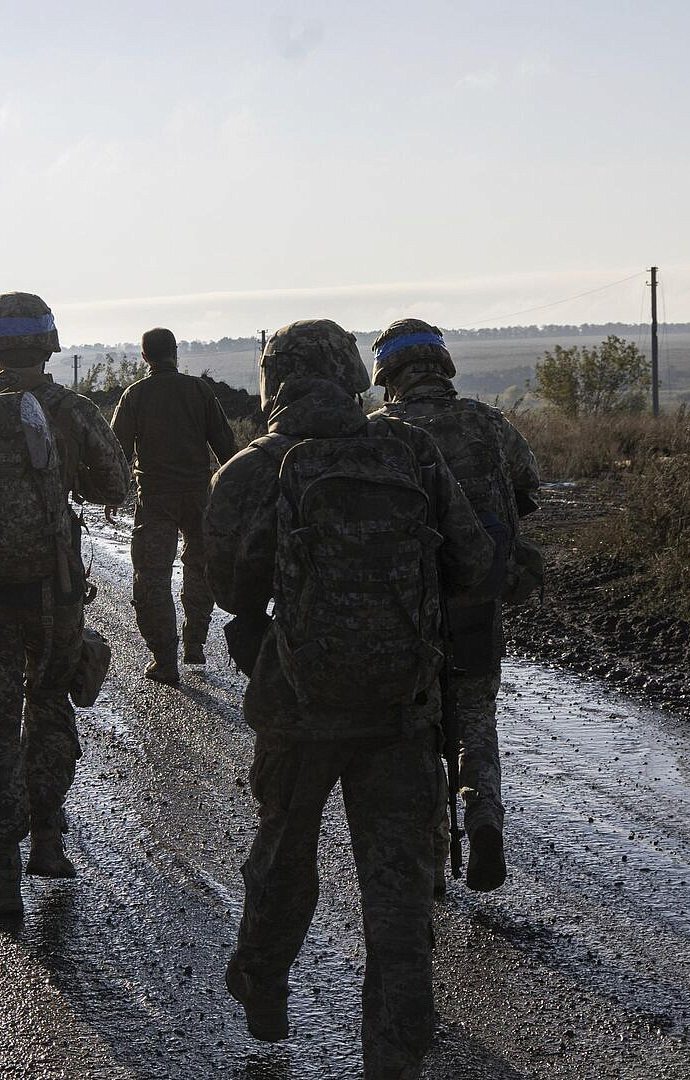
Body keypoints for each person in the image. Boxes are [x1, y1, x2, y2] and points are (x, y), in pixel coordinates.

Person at [203, 319, 493, 1078]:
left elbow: (231, 589)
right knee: (397, 902)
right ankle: (393, 1060)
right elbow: (475, 563)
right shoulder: (411, 452)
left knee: (285, 852)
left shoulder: (247, 470)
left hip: (297, 711)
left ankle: (262, 980)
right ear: (349, 376)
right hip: (400, 710)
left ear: (274, 381)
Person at [0, 291, 128, 916]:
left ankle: (3, 874)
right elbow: (117, 485)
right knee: (48, 705)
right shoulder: (70, 409)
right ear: (48, 343)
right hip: (55, 595)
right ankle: (48, 839)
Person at [368, 318, 540, 893]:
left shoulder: (379, 434)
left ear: (387, 374)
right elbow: (529, 482)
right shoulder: (487, 423)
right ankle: (484, 811)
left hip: (406, 611)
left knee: (417, 728)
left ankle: (433, 858)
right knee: (474, 716)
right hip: (477, 598)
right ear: (443, 367)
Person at [108, 327, 239, 685]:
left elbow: (116, 451)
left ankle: (165, 660)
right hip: (200, 495)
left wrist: (111, 494)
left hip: (155, 499)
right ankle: (195, 640)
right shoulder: (199, 391)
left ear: (145, 356)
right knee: (199, 566)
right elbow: (226, 447)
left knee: (152, 578)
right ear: (175, 353)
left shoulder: (135, 395)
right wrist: (235, 496)